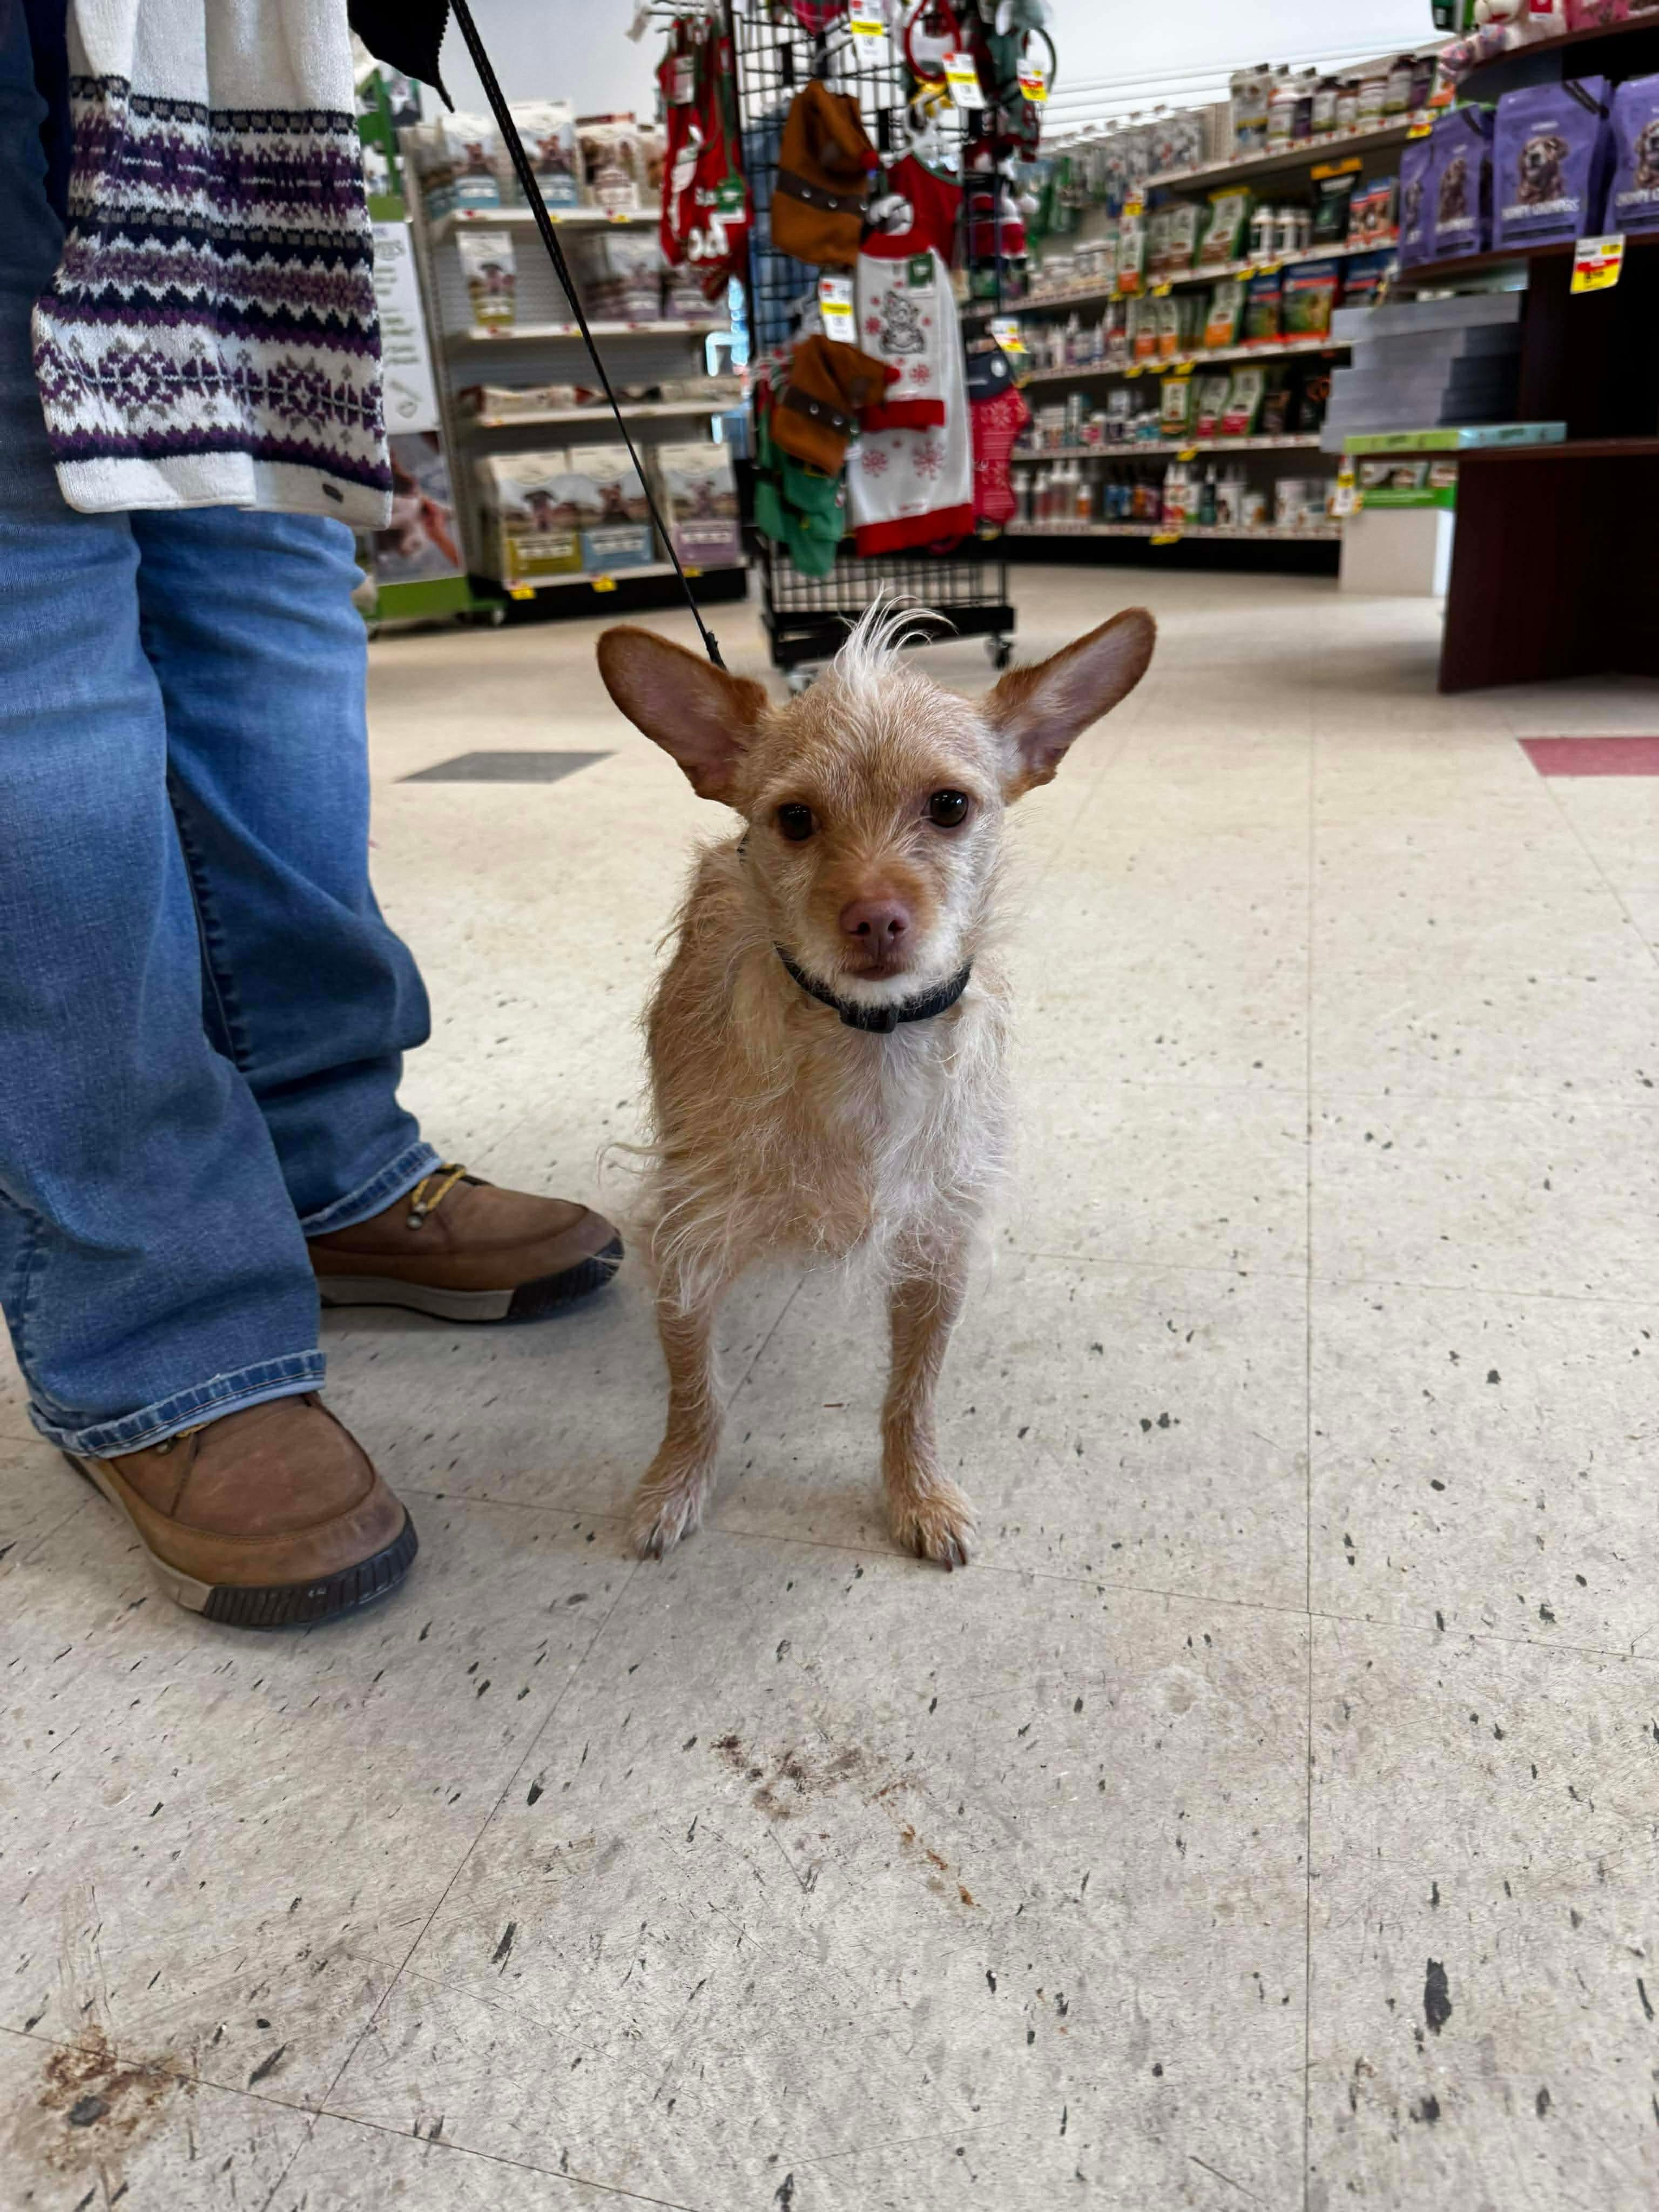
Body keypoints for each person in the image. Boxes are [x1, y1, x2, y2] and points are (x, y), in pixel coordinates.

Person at [0, 0, 621, 1628]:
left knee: (271, 592)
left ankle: (327, 1157)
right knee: (34, 641)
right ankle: (154, 1312)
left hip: (228, 62)